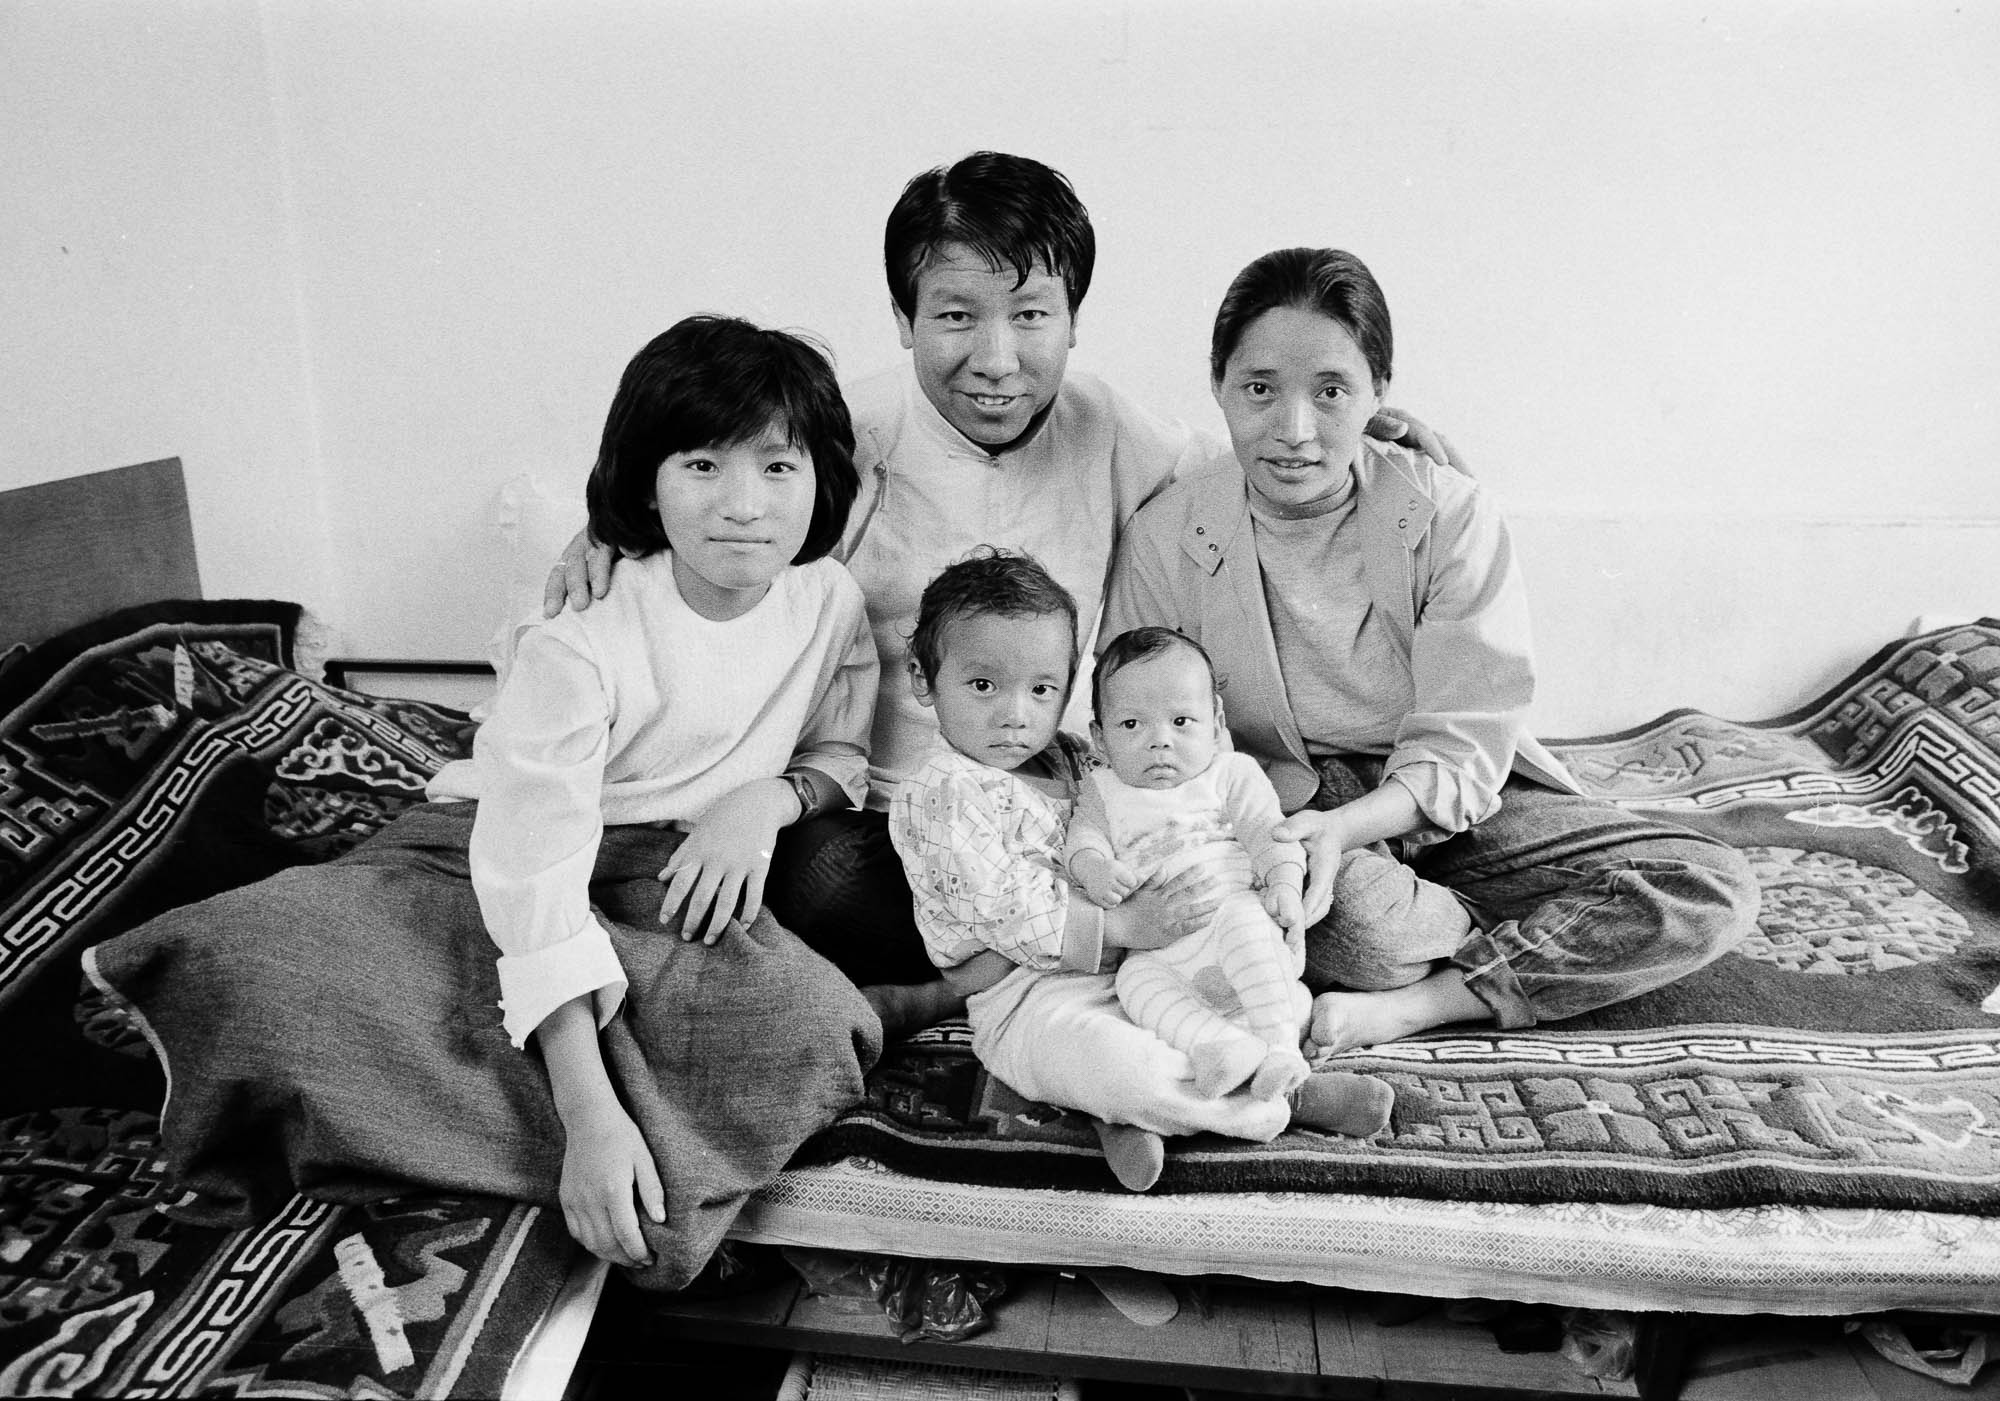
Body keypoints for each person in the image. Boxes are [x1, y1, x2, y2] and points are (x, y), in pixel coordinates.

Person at [547, 153, 1461, 1031]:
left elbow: (1248, 452)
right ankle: (1080, 963)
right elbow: (723, 495)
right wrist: (608, 529)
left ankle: (989, 978)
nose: (996, 358)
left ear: (1072, 319)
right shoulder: (843, 435)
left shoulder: (1104, 425)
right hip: (896, 821)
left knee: (1269, 893)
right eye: (955, 316)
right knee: (815, 884)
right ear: (905, 319)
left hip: (1069, 813)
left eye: (1030, 316)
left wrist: (1359, 425)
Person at [85, 316, 882, 1290]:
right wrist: (589, 1118)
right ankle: (559, 1125)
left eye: (777, 468)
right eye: (701, 466)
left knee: (809, 1022)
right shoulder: (579, 635)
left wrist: (768, 798)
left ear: (820, 478)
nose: (743, 507)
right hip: (498, 852)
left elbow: (842, 752)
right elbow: (532, 865)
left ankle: (464, 1099)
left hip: (659, 872)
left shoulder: (828, 599)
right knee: (269, 961)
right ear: (645, 482)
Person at [1104, 247, 1761, 1051]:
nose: (1294, 430)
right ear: (1218, 385)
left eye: (1333, 391)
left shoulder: (1449, 512)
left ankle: (1428, 1001)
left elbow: (1463, 739)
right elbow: (1146, 726)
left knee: (1711, 886)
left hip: (1455, 804)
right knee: (1355, 933)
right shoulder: (1168, 537)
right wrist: (1318, 837)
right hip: (1293, 805)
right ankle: (1522, 935)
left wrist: (1357, 828)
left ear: (1380, 390)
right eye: (1260, 389)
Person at [886, 550, 1395, 1193]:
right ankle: (1283, 1102)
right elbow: (1007, 912)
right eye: (984, 685)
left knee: (1250, 998)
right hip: (1029, 996)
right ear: (923, 680)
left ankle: (1130, 1114)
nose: (1016, 713)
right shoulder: (944, 790)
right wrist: (1125, 923)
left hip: (1141, 967)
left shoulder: (1075, 758)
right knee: (1123, 1066)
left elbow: (1171, 791)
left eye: (1042, 689)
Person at [1066, 626, 1471, 1101]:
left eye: (1181, 722)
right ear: (1099, 737)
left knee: (1248, 929)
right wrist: (1094, 868)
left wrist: (1281, 883)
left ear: (1216, 722)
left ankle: (1280, 1048)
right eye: (1131, 726)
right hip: (1158, 945)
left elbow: (1269, 833)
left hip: (1232, 910)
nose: (1160, 742)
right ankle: (1219, 1047)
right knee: (1135, 986)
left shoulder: (1229, 773)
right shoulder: (1103, 789)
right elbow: (1082, 840)